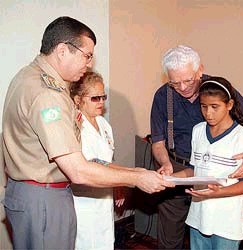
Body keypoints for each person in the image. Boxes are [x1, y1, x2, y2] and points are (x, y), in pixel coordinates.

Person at [1, 16, 174, 250]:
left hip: (32, 194)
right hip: (44, 198)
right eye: (87, 55)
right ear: (62, 50)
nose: (89, 64)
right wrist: (137, 179)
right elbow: (78, 170)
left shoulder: (27, 77)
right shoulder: (47, 94)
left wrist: (135, 171)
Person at [150, 45, 243, 249]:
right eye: (175, 82)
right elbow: (158, 141)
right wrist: (166, 164)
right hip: (179, 166)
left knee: (215, 230)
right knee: (172, 236)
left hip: (217, 175)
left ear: (199, 70)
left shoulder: (217, 91)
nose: (183, 87)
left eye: (188, 80)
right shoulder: (163, 96)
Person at [173, 76, 243, 250]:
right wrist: (171, 178)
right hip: (198, 216)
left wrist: (218, 192)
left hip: (225, 222)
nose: (208, 113)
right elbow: (193, 170)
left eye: (215, 107)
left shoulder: (242, 137)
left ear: (230, 105)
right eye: (204, 107)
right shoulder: (198, 131)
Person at [70, 71, 124, 250]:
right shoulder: (74, 126)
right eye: (95, 98)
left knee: (106, 242)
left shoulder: (104, 124)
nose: (101, 102)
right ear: (78, 99)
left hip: (104, 199)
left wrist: (118, 185)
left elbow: (108, 161)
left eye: (103, 97)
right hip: (84, 201)